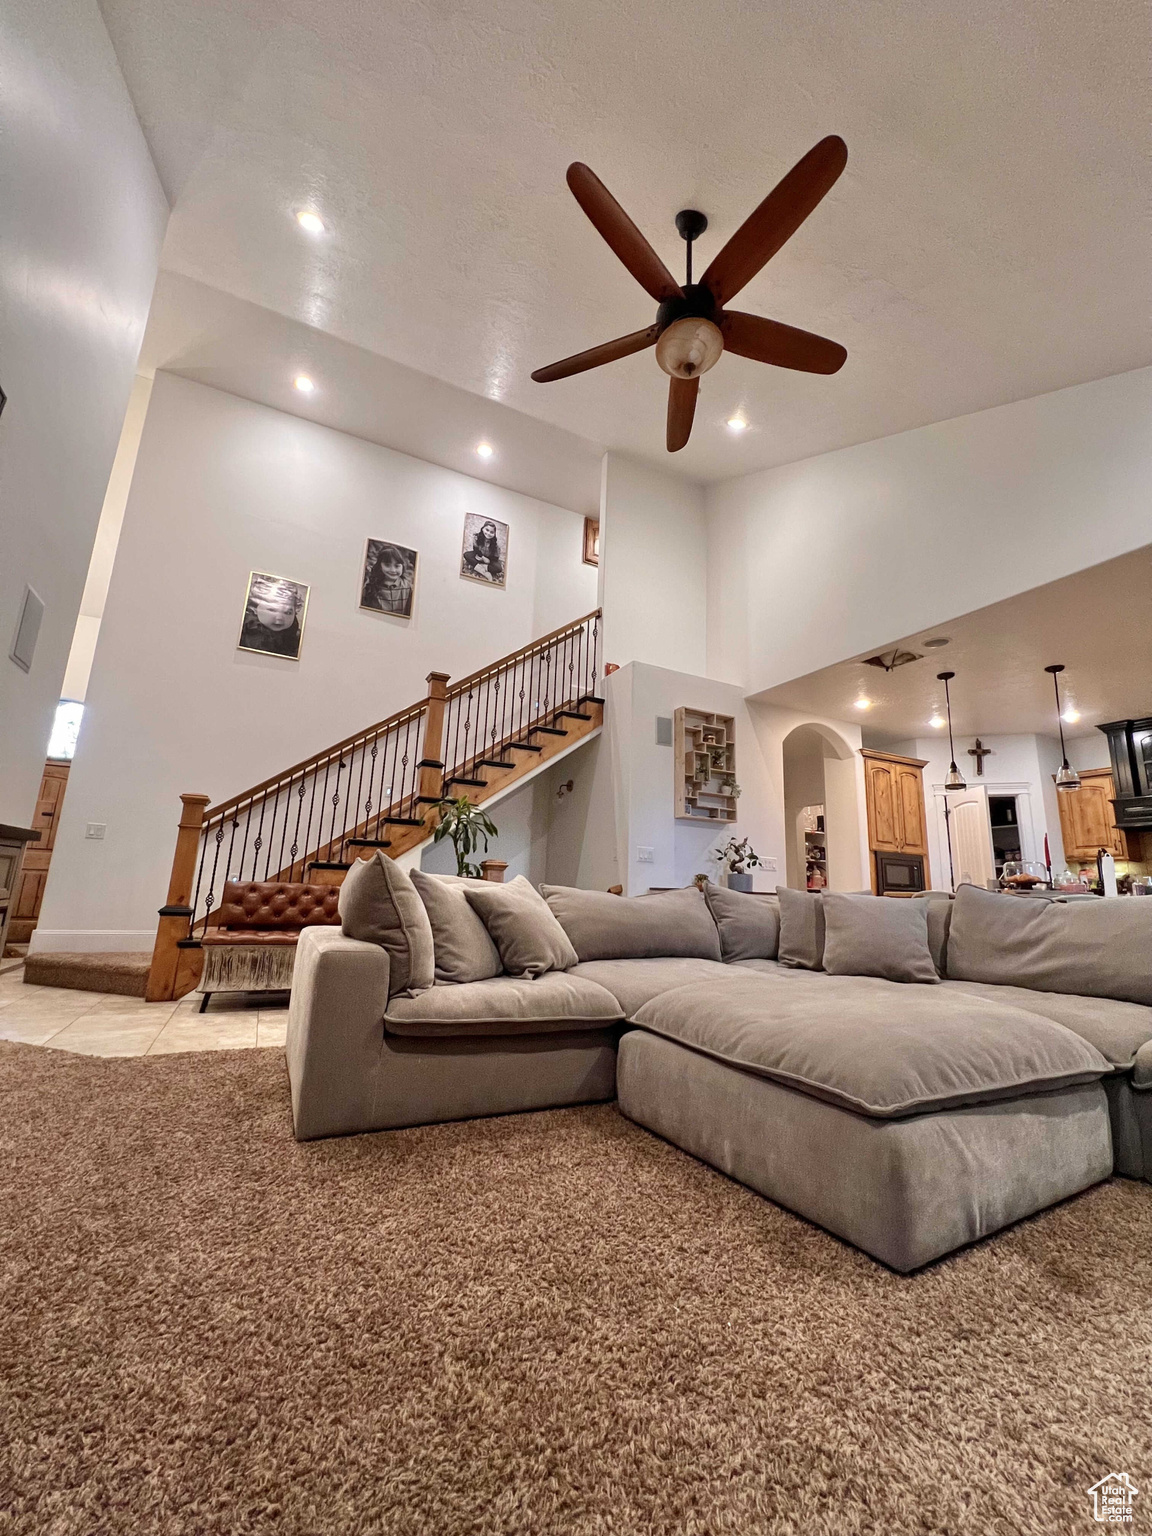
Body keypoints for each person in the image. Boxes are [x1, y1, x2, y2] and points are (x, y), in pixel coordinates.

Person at [240, 576, 303, 657]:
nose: (279, 618)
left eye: (288, 612)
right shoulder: (247, 632)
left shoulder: (295, 634)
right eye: (272, 610)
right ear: (255, 608)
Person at [362, 543, 414, 615]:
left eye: (397, 566)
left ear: (402, 566)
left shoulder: (408, 587)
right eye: (387, 565)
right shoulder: (370, 587)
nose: (393, 570)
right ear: (380, 565)